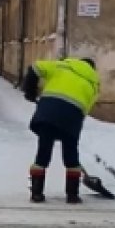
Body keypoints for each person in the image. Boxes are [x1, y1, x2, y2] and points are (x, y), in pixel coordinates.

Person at [22, 56, 99, 204]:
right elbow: (85, 109)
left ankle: (36, 193)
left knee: (43, 151)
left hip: (48, 111)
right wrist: (70, 128)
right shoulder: (94, 84)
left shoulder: (62, 66)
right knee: (71, 154)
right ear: (92, 69)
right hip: (72, 117)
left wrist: (30, 91)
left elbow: (35, 68)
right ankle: (72, 195)